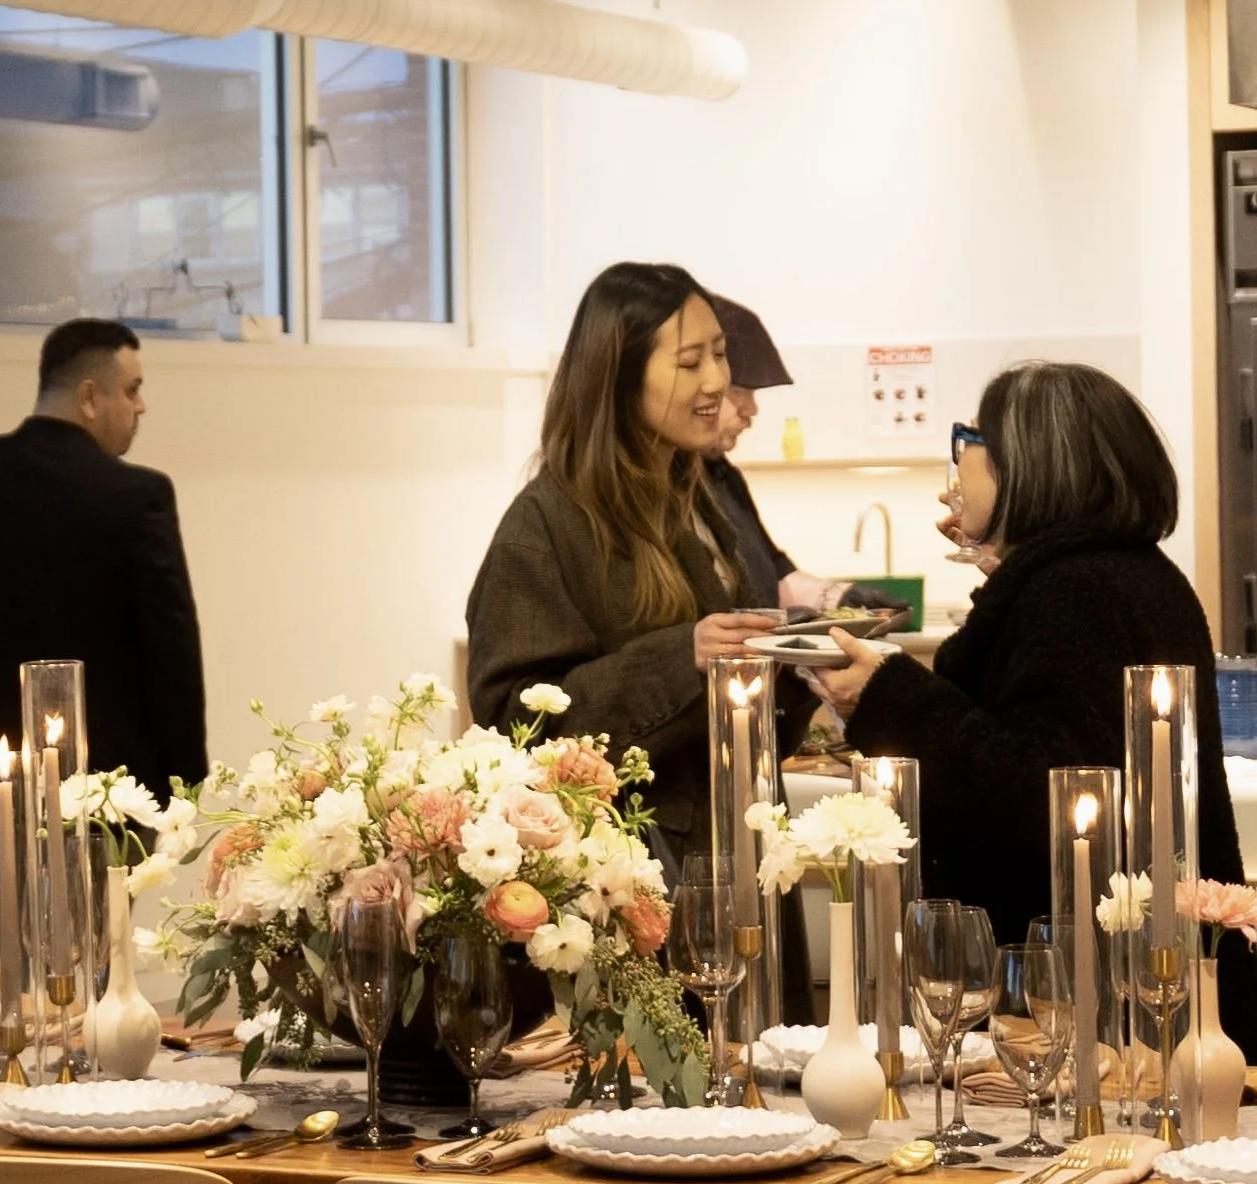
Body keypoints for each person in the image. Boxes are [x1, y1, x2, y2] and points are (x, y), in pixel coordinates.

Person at [813, 359, 1257, 1054]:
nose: (957, 468)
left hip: (1072, 998)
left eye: (971, 442)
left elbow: (1037, 787)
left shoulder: (1070, 591)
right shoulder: (1124, 572)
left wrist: (887, 692)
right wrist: (1000, 558)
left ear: (1029, 463)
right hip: (1149, 976)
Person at [466, 262, 796, 861]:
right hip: (628, 868)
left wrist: (795, 662)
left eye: (720, 355)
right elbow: (512, 726)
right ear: (619, 376)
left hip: (734, 841)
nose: (717, 380)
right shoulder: (547, 522)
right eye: (691, 362)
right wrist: (682, 658)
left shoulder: (696, 494)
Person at [0, 317, 207, 883]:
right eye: (132, 389)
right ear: (90, 396)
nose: (141, 407)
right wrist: (182, 787)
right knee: (94, 960)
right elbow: (171, 654)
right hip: (108, 790)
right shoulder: (137, 497)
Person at [705, 293, 907, 620]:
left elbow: (779, 575)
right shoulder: (668, 489)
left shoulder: (724, 478)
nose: (752, 409)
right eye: (739, 391)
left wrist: (844, 597)